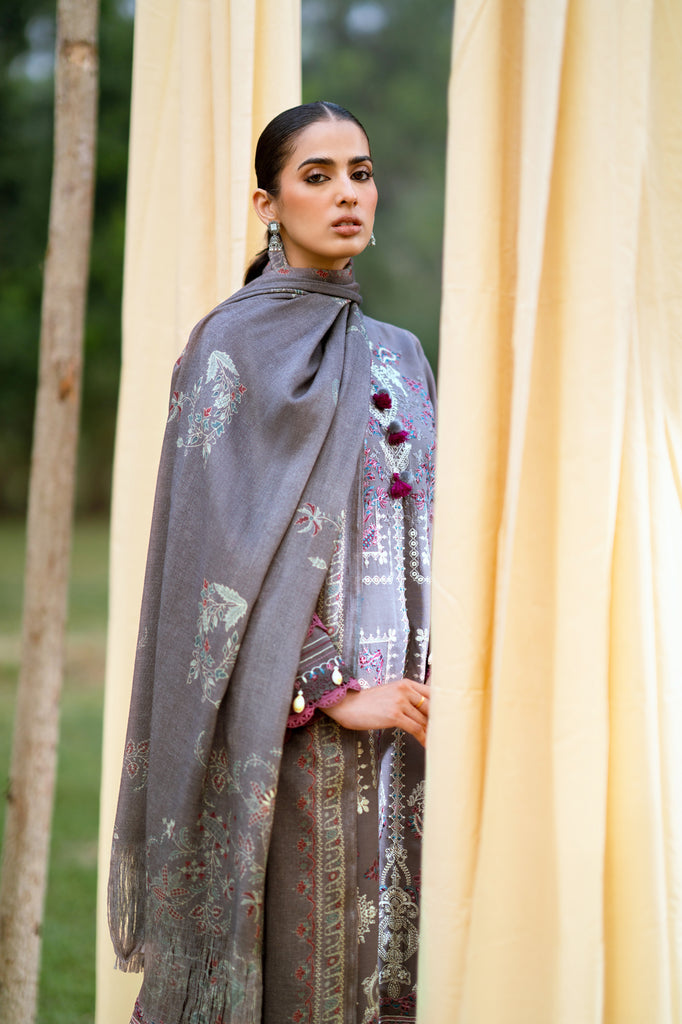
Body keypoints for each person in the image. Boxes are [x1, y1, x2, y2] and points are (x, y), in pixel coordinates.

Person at [108, 101, 436, 1024]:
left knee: (394, 967)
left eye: (360, 173)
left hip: (410, 721)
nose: (347, 194)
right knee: (305, 973)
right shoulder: (230, 347)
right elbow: (208, 555)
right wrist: (331, 689)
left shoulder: (401, 354)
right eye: (317, 176)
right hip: (288, 724)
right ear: (268, 203)